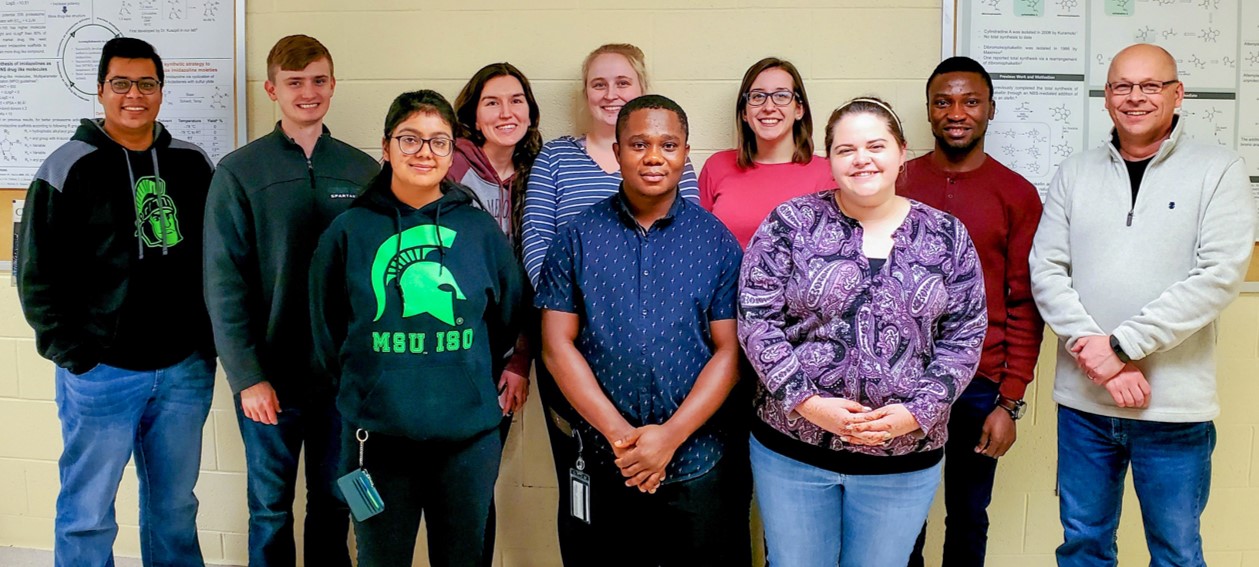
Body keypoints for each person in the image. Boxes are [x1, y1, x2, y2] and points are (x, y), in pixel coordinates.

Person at [1030, 43, 1255, 567]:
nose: (1135, 97)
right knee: (1084, 544)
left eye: (1150, 86)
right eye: (1122, 86)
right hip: (1084, 406)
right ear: (1107, 97)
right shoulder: (1074, 172)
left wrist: (1122, 345)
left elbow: (1219, 277)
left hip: (1174, 409)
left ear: (1177, 95)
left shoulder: (1218, 170)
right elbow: (1047, 272)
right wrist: (1099, 358)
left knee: (1176, 552)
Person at [739, 97, 988, 567]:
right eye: (846, 149)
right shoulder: (790, 224)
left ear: (901, 152)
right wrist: (809, 405)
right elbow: (757, 319)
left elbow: (965, 337)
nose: (862, 159)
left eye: (876, 145)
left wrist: (915, 414)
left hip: (902, 457)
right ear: (829, 159)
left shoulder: (946, 236)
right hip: (792, 451)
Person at [17, 36, 217, 566]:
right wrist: (74, 356)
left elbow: (217, 264)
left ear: (161, 90)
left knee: (175, 507)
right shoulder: (68, 167)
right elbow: (35, 275)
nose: (135, 94)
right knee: (88, 512)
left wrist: (206, 348)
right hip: (101, 372)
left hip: (183, 371)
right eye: (122, 83)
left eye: (147, 83)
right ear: (101, 90)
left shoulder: (192, 164)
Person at [309, 89, 526, 567]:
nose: (425, 152)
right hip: (375, 444)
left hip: (467, 442)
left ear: (452, 151)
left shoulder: (477, 230)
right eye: (410, 139)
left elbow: (509, 316)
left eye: (439, 141)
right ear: (385, 148)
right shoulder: (349, 231)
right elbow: (327, 332)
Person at [535, 94, 749, 567]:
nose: (654, 156)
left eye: (668, 144)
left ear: (685, 153)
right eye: (638, 144)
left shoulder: (715, 241)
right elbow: (555, 346)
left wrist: (668, 438)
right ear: (617, 153)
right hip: (604, 458)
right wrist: (622, 440)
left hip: (697, 461)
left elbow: (730, 353)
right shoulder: (576, 237)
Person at [520, 42, 701, 565]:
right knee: (587, 502)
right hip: (574, 348)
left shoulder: (669, 158)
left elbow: (681, 245)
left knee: (657, 493)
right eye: (598, 84)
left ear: (640, 89)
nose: (610, 93)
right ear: (585, 93)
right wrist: (595, 314)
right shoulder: (556, 157)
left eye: (622, 83)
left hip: (662, 367)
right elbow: (537, 248)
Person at [203, 35, 379, 567]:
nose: (309, 92)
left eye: (319, 80)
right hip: (269, 382)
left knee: (339, 500)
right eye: (295, 82)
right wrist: (246, 377)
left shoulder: (363, 171)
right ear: (271, 88)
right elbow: (222, 283)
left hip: (342, 383)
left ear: (333, 85)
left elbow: (375, 280)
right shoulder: (239, 172)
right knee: (270, 508)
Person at [899, 56, 1044, 567]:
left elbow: (1026, 304)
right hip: (901, 382)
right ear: (929, 112)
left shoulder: (1017, 195)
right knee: (902, 515)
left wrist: (1009, 403)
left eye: (970, 101)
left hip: (980, 382)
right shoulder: (898, 182)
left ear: (990, 110)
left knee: (968, 513)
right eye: (944, 102)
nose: (956, 112)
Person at [448, 61, 542, 565]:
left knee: (480, 483)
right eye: (492, 102)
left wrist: (521, 359)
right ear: (473, 115)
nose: (506, 112)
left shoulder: (538, 174)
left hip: (504, 361)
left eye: (516, 100)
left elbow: (536, 281)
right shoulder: (450, 168)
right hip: (447, 355)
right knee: (452, 487)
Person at [699, 57, 833, 248]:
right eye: (758, 96)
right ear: (745, 112)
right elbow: (698, 242)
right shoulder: (717, 166)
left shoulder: (827, 172)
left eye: (781, 96)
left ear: (799, 109)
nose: (769, 107)